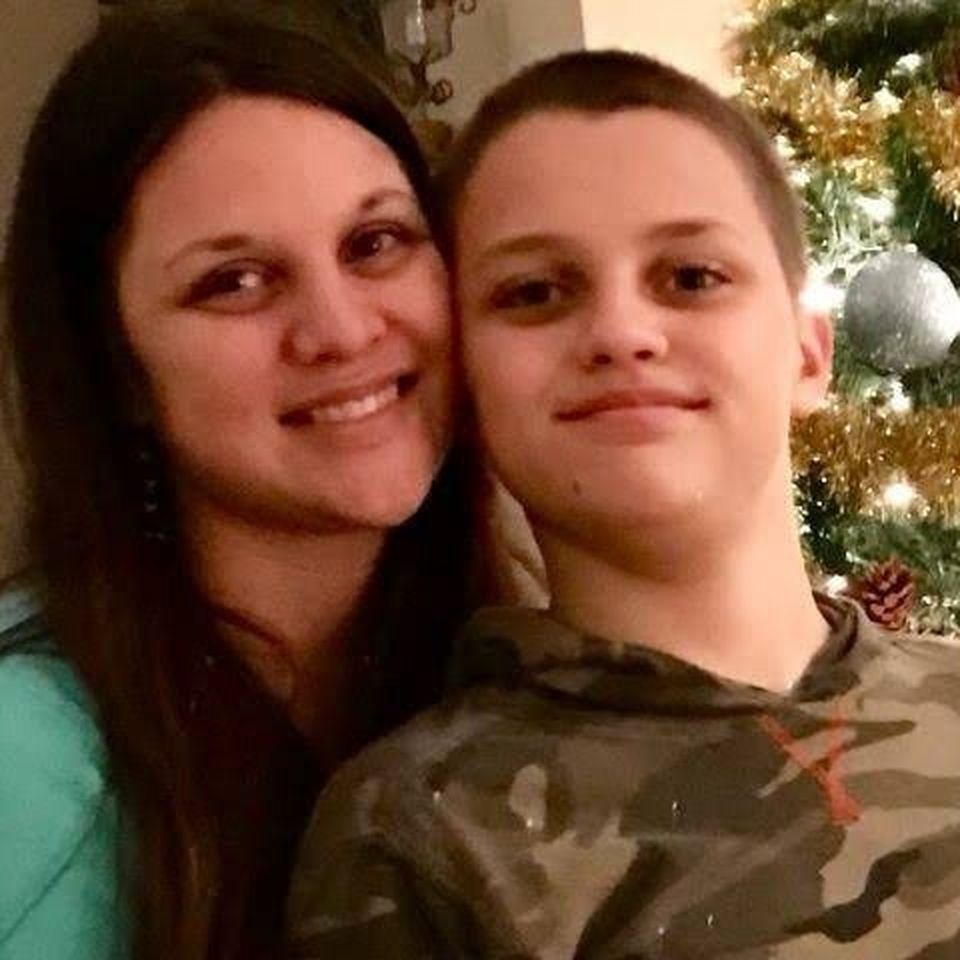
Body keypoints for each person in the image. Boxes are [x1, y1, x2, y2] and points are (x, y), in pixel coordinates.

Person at [285, 51, 960, 958]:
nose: (621, 333)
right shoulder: (423, 837)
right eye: (535, 292)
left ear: (808, 354)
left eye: (691, 277)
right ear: (467, 388)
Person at [0, 4, 485, 959]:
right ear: (117, 369)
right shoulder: (27, 761)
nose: (342, 330)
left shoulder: (507, 668)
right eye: (234, 281)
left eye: (375, 242)